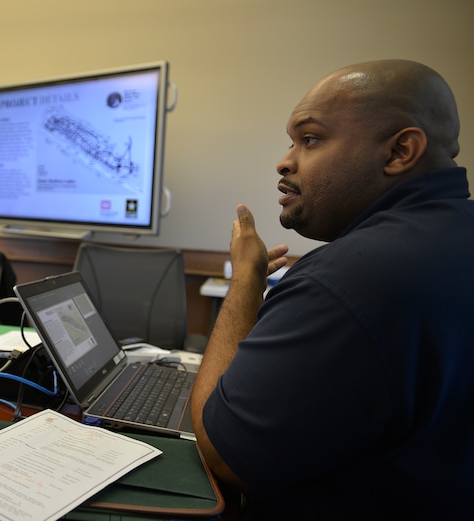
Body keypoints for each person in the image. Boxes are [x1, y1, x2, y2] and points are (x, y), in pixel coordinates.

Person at [190, 59, 474, 520]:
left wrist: (244, 278)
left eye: (311, 139)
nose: (285, 160)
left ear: (400, 151)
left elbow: (226, 456)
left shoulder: (349, 277)